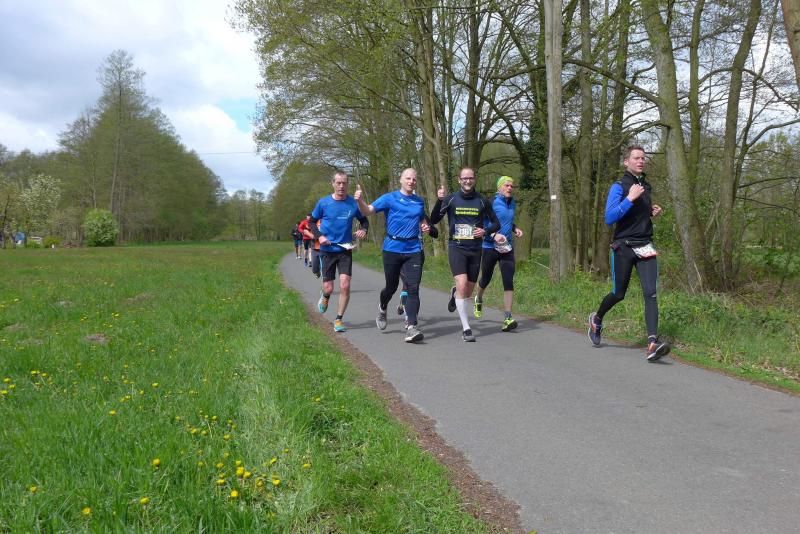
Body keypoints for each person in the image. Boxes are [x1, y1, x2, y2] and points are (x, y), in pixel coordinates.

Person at [588, 145, 671, 362]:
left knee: (651, 293)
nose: (641, 161)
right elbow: (610, 218)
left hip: (645, 245)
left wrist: (650, 212)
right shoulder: (619, 187)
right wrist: (630, 199)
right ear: (626, 162)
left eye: (643, 158)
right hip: (623, 247)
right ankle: (597, 319)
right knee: (619, 293)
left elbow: (636, 216)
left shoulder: (646, 186)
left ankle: (652, 343)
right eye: (636, 158)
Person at [354, 168, 435, 343]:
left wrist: (425, 226)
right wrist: (360, 201)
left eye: (414, 179)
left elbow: (421, 219)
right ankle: (383, 307)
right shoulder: (389, 198)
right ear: (401, 180)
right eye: (408, 178)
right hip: (392, 248)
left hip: (413, 249)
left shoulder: (419, 201)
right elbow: (368, 211)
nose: (411, 182)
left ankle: (411, 327)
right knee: (391, 287)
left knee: (413, 288)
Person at [429, 166, 501, 342]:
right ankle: (466, 328)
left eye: (470, 178)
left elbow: (496, 223)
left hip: (476, 249)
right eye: (464, 178)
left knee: (467, 291)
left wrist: (485, 231)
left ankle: (455, 293)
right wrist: (439, 200)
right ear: (459, 180)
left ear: (474, 179)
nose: (468, 181)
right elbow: (434, 219)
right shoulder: (451, 199)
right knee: (462, 284)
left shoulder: (482, 200)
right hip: (457, 247)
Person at [309, 171, 369, 332]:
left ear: (347, 184)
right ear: (333, 183)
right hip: (327, 250)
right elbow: (312, 222)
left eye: (344, 183)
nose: (341, 186)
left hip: (345, 250)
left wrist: (364, 229)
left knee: (345, 284)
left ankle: (338, 319)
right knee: (329, 288)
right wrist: (320, 237)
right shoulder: (324, 203)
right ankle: (325, 295)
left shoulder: (353, 203)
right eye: (338, 183)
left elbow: (364, 221)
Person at [474, 176, 524, 332]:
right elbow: (482, 223)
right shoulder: (492, 203)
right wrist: (494, 234)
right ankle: (478, 298)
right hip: (490, 246)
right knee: (486, 278)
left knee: (508, 280)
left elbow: (506, 221)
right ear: (499, 187)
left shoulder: (512, 203)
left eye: (511, 186)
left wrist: (515, 228)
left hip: (507, 247)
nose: (510, 188)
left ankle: (508, 317)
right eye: (506, 185)